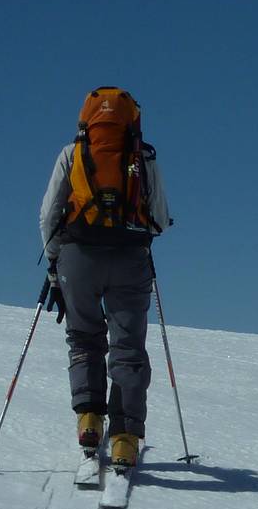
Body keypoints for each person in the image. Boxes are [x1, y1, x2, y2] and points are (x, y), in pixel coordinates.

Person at [38, 86, 171, 470]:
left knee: (84, 337)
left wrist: (53, 261)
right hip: (131, 258)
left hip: (77, 257)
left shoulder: (72, 154)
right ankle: (125, 440)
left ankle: (89, 421)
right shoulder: (143, 159)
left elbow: (49, 215)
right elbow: (160, 218)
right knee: (128, 345)